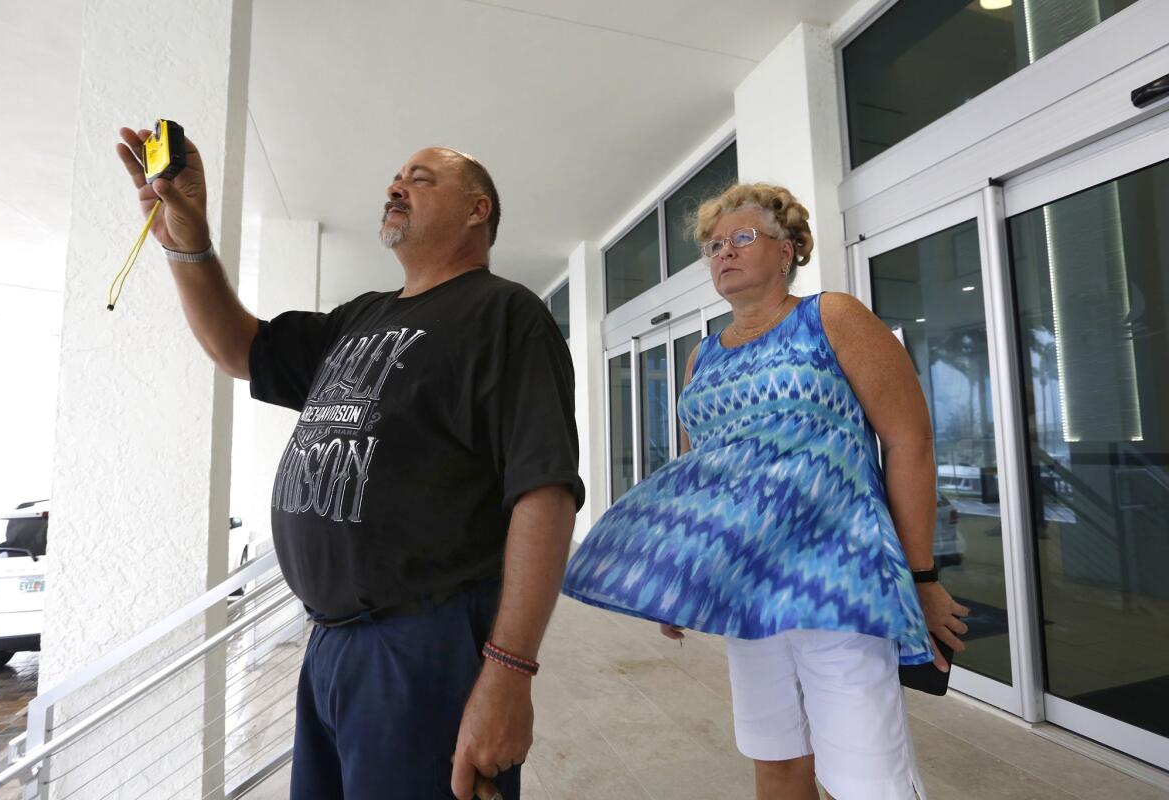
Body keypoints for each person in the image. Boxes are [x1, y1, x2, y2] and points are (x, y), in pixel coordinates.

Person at [116, 127, 583, 800]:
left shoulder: (506, 314)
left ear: (478, 209)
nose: (396, 186)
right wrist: (188, 242)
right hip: (331, 647)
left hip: (425, 647)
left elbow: (544, 493)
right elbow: (235, 349)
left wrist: (510, 672)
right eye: (396, 177)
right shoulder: (359, 318)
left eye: (421, 178)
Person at [562, 183, 968, 800]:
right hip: (748, 589)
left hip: (839, 585)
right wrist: (683, 576)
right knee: (775, 760)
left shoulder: (831, 317)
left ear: (789, 250)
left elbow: (910, 443)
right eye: (714, 245)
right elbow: (703, 477)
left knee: (869, 782)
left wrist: (922, 575)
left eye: (742, 238)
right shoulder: (704, 357)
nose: (724, 252)